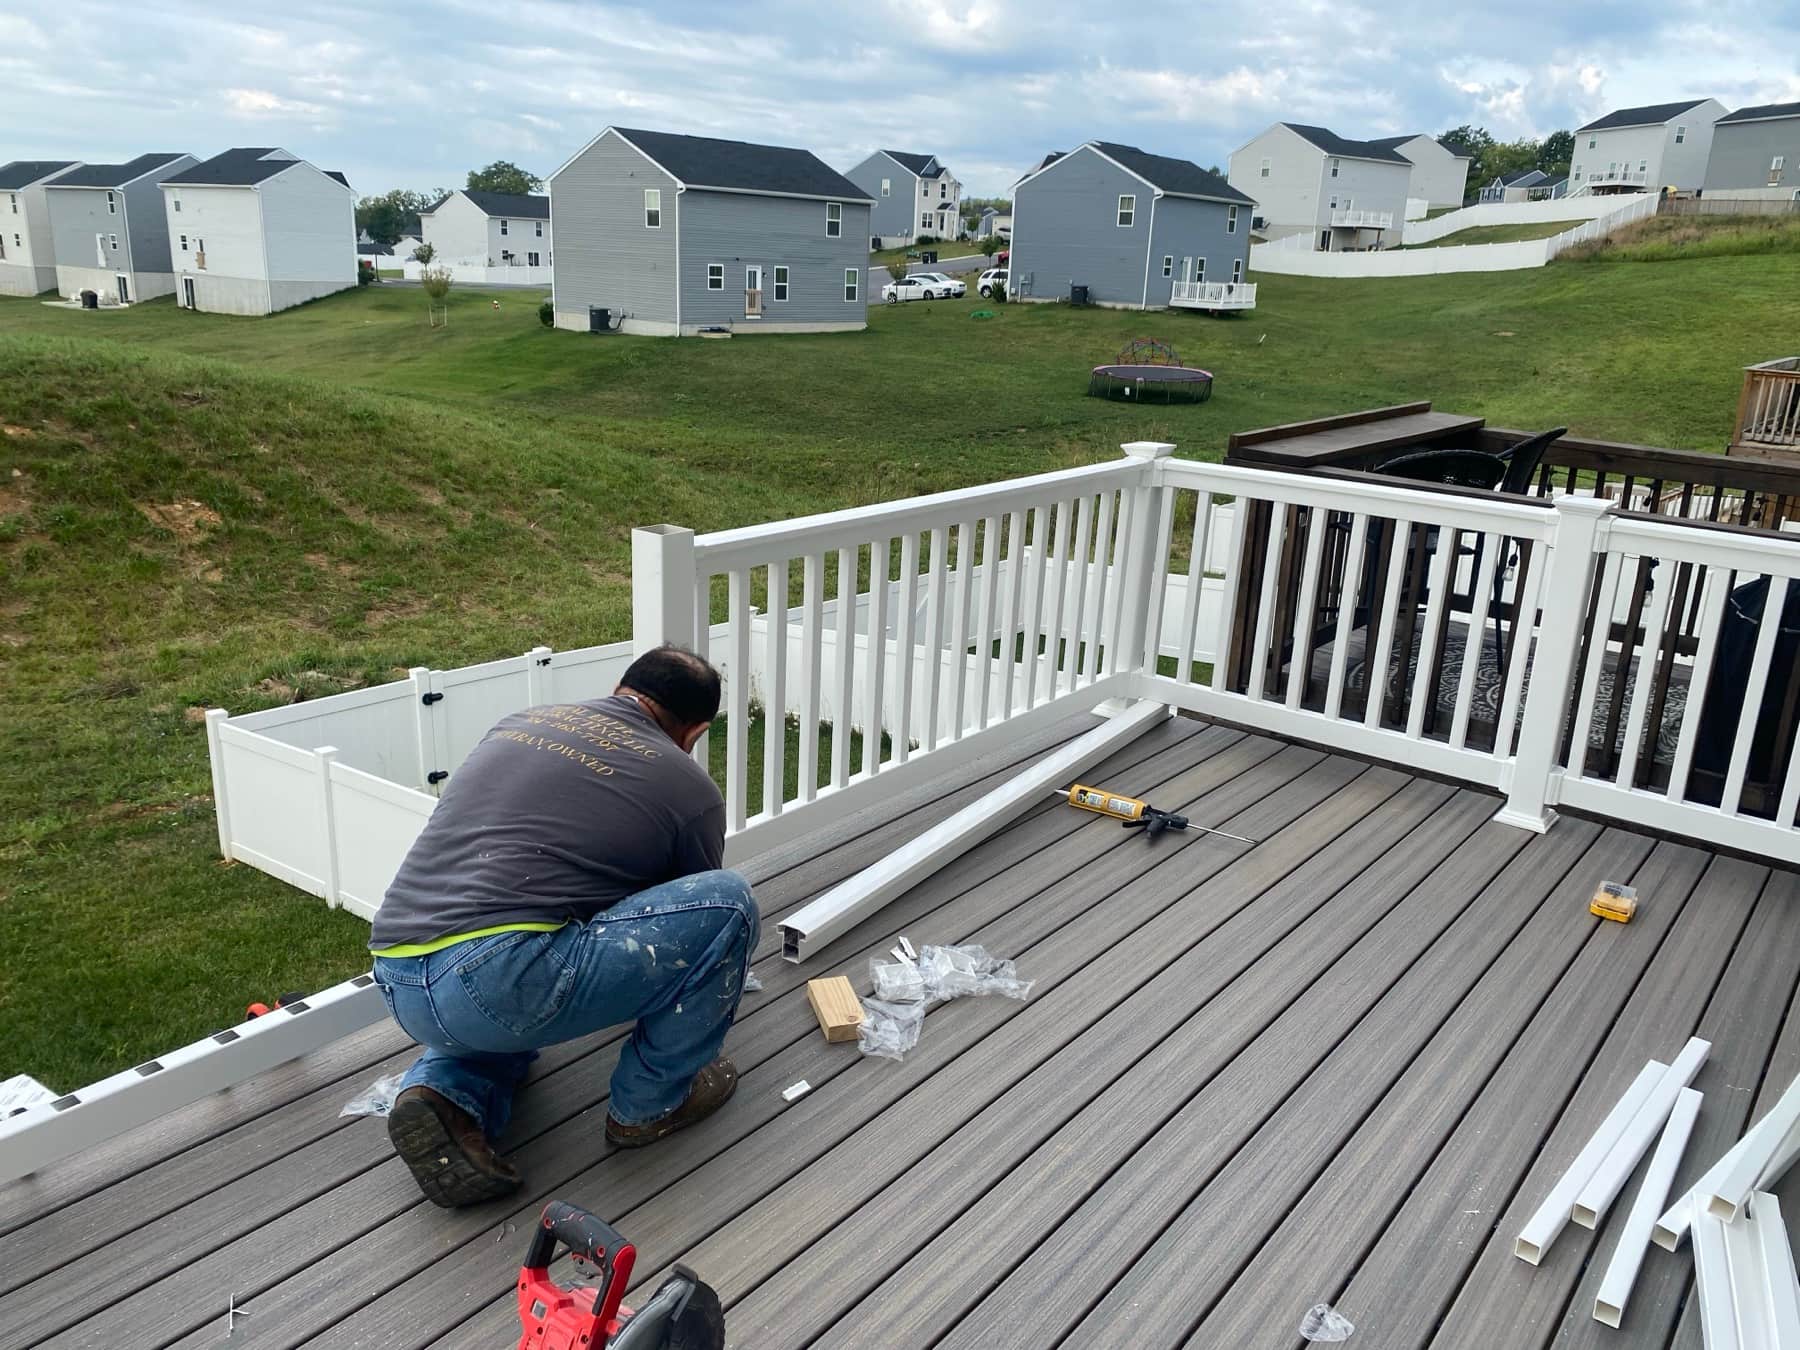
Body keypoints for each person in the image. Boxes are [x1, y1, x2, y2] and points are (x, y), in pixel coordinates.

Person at [369, 645, 757, 1208]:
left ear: (623, 688)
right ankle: (650, 1106)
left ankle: (445, 1093)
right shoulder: (686, 785)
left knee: (507, 993)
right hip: (499, 978)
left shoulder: (521, 723)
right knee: (730, 903)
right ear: (695, 732)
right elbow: (688, 916)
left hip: (398, 974)